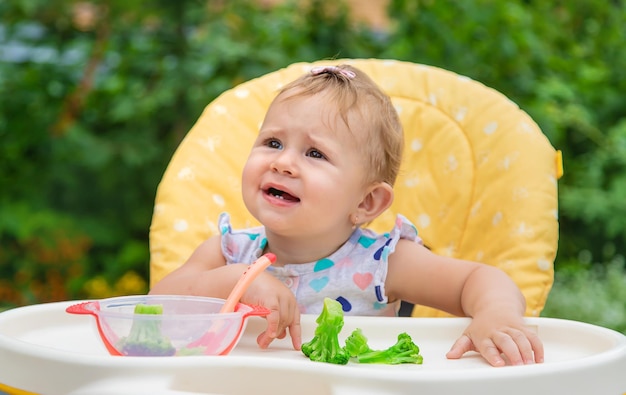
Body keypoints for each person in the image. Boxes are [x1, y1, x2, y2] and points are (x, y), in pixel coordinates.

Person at [150, 64, 544, 367]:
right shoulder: (229, 253)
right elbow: (151, 307)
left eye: (315, 153)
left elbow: (479, 279)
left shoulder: (382, 264)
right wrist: (232, 282)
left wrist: (496, 314)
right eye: (273, 142)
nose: (283, 162)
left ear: (367, 203)